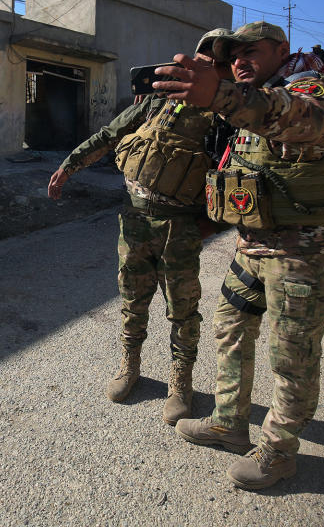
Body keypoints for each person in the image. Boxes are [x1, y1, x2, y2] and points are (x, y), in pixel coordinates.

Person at [153, 21, 324, 490]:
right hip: (253, 246)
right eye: (233, 55)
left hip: (305, 252)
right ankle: (229, 422)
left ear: (282, 50)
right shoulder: (252, 98)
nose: (241, 60)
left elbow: (290, 114)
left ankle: (279, 453)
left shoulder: (312, 89)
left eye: (251, 51)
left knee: (292, 357)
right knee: (229, 327)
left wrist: (221, 94)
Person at [47, 28, 233, 425]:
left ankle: (180, 382)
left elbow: (232, 178)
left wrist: (212, 225)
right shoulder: (157, 99)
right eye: (203, 56)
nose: (206, 65)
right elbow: (111, 134)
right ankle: (129, 366)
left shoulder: (226, 114)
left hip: (181, 226)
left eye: (217, 63)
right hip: (135, 219)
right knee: (133, 299)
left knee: (182, 308)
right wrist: (69, 165)